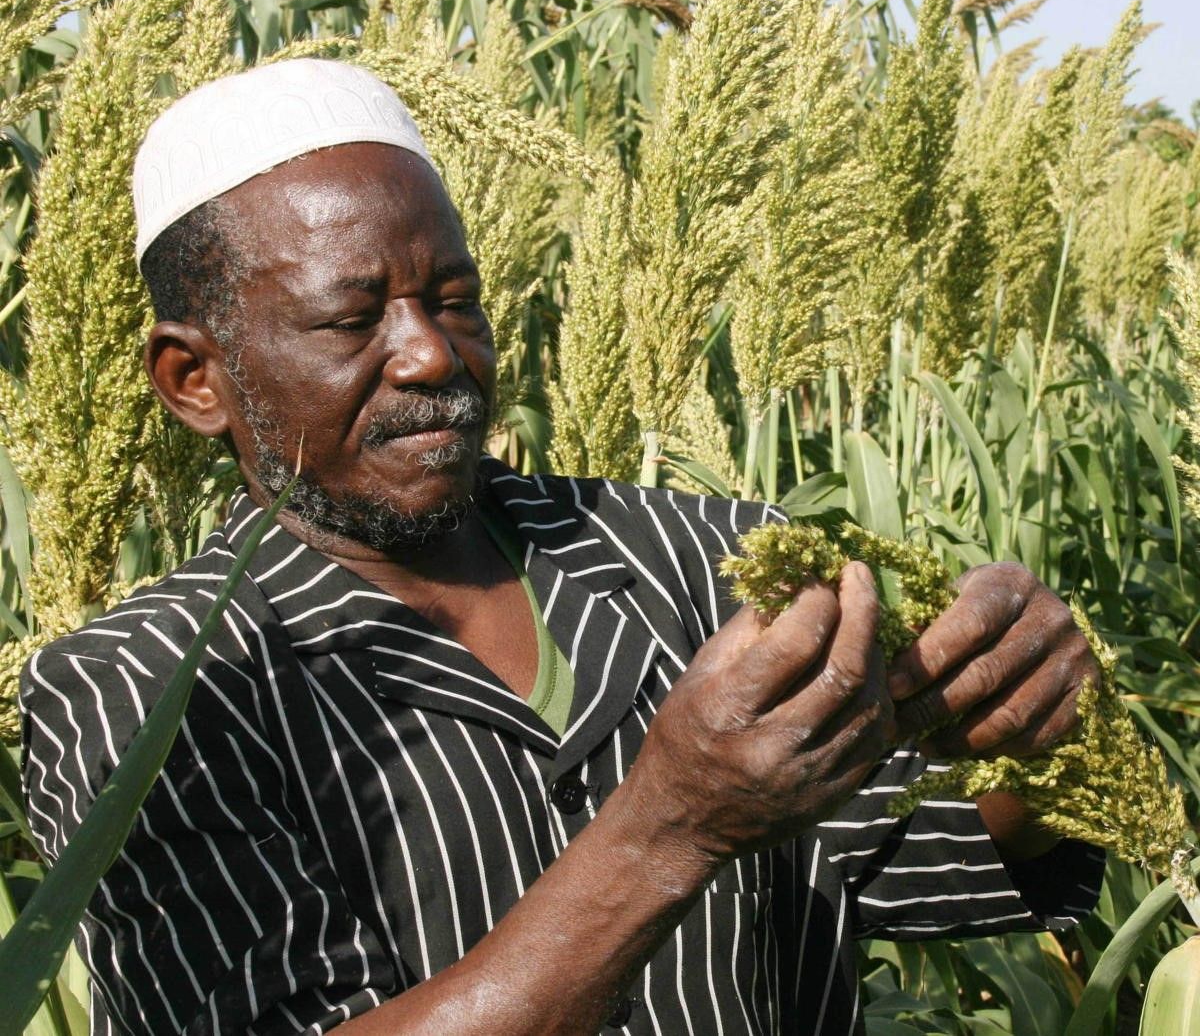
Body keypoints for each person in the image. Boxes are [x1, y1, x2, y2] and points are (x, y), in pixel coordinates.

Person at [21, 59, 1103, 1036]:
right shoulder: (150, 694)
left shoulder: (707, 558)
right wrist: (668, 829)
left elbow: (923, 847)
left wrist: (1029, 720)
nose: (432, 356)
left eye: (455, 301)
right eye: (355, 322)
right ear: (194, 380)